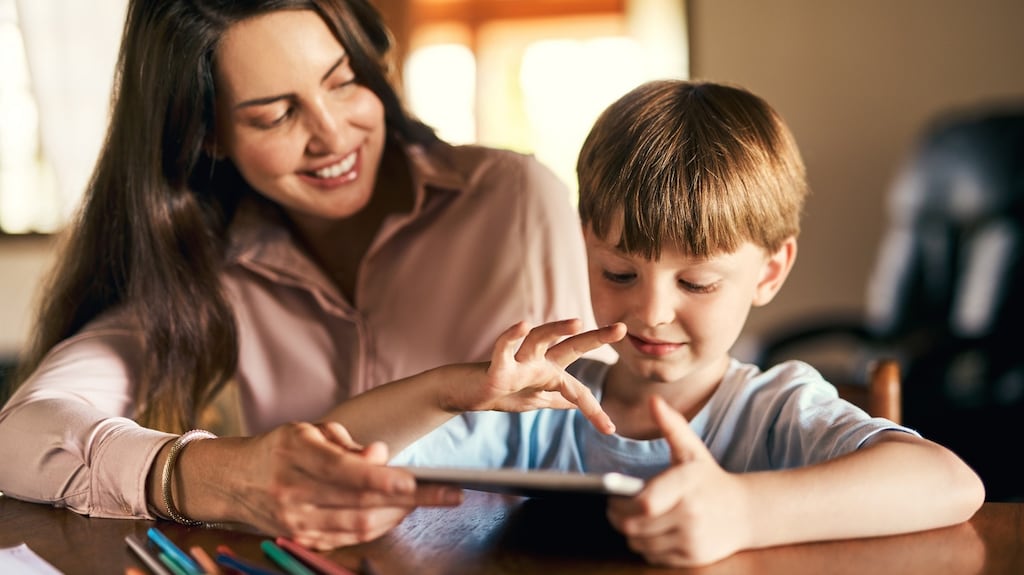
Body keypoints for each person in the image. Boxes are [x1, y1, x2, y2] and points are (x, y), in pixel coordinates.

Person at [0, 0, 617, 550]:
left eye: (343, 82)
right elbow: (22, 435)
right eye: (275, 116)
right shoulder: (199, 262)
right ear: (209, 137)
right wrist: (216, 476)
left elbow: (602, 421)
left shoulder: (513, 200)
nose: (332, 134)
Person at [327, 79, 986, 567]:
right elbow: (333, 454)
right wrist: (454, 389)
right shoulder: (548, 402)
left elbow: (951, 483)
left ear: (769, 271)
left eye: (696, 282)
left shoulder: (774, 409)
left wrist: (744, 511)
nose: (650, 311)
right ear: (586, 243)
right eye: (619, 273)